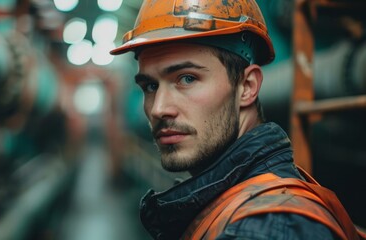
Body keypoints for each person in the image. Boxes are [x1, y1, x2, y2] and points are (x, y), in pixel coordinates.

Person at [111, 1, 365, 239]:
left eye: (187, 78)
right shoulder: (231, 205)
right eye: (150, 86)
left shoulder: (265, 228)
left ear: (247, 86)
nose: (158, 108)